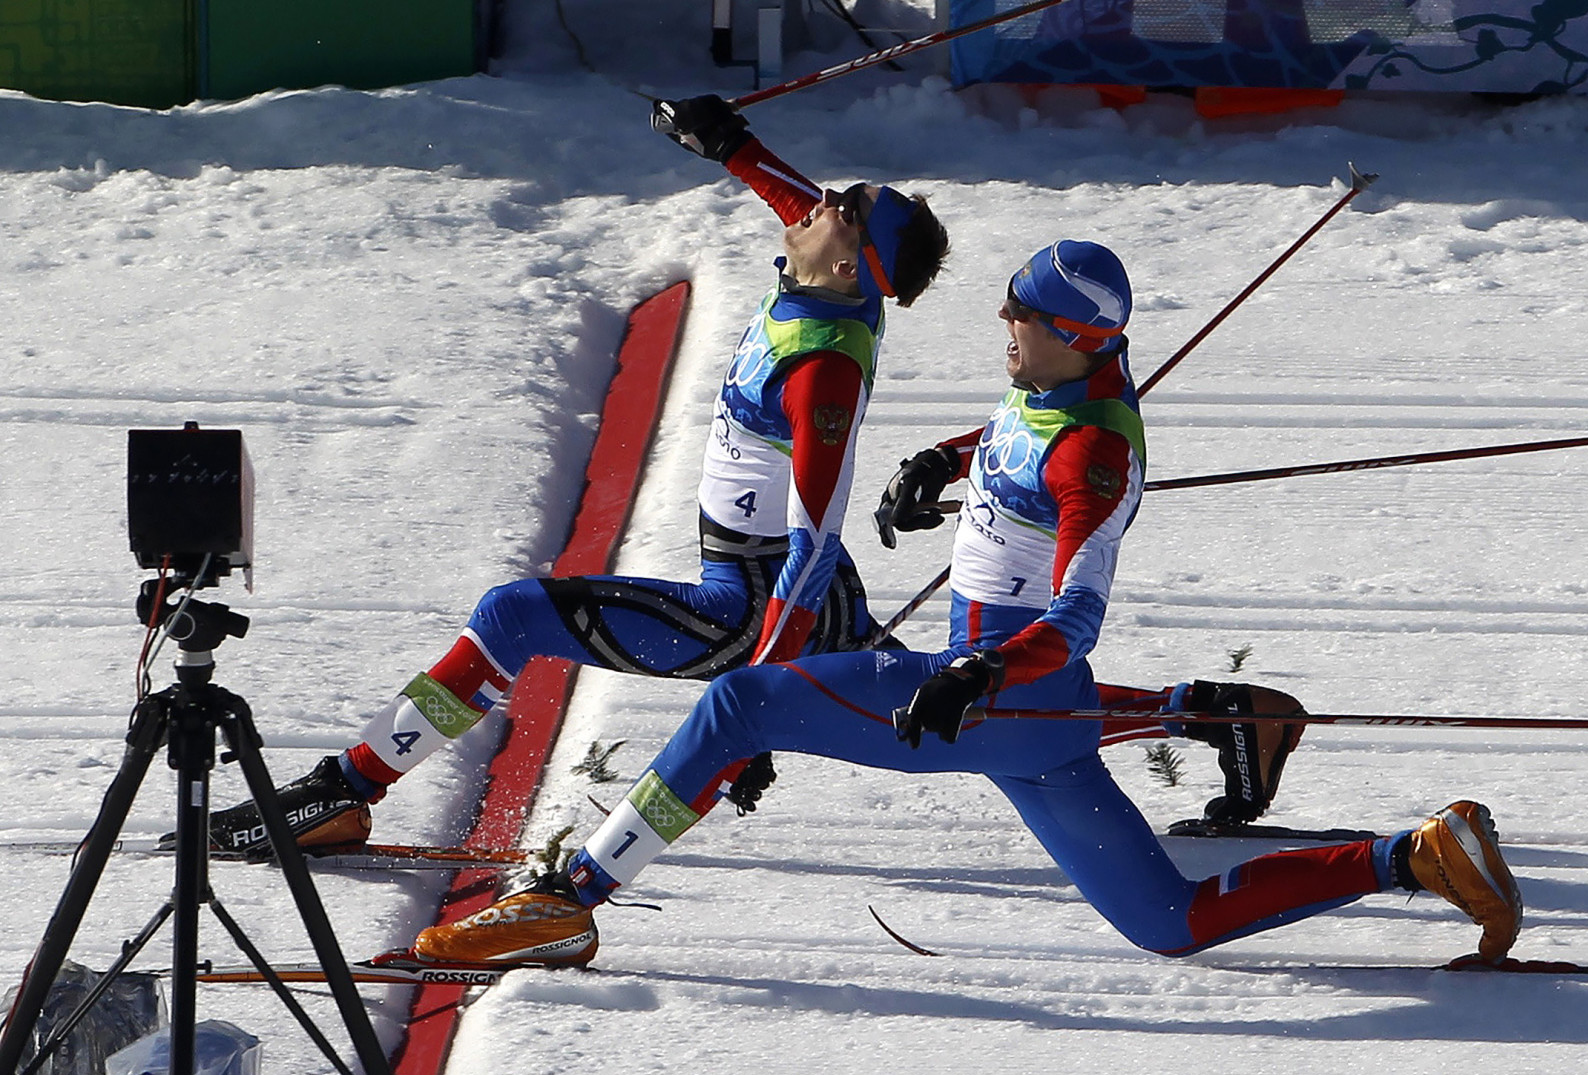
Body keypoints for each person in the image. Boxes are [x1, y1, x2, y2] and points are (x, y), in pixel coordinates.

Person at [409, 239, 1521, 970]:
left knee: (739, 707)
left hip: (1007, 694)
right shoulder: (1054, 385)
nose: (1005, 323)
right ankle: (1420, 855)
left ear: (1079, 337)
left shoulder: (1091, 455)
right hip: (1041, 728)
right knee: (1169, 926)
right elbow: (1012, 430)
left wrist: (980, 670)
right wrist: (940, 461)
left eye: (1023, 314)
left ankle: (568, 901)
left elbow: (1076, 613)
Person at [204, 95, 951, 858]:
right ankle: (1060, 716)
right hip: (789, 591)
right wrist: (731, 145)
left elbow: (815, 545)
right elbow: (802, 202)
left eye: (847, 208)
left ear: (852, 260)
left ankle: (342, 792)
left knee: (513, 617)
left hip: (760, 606)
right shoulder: (838, 276)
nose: (822, 198)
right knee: (976, 712)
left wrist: (754, 701)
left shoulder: (821, 369)